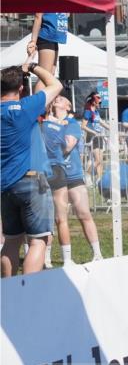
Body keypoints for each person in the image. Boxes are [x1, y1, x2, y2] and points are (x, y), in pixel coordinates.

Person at [1, 61, 63, 276]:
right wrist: (33, 66)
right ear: (20, 88)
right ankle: (28, 293)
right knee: (38, 242)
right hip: (30, 181)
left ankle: (7, 292)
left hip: (5, 186)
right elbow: (55, 85)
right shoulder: (25, 108)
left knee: (10, 242)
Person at [43, 96, 102, 266]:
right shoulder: (48, 122)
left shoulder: (72, 123)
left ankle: (97, 253)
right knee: (54, 219)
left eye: (61, 98)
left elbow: (67, 146)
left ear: (68, 106)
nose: (56, 99)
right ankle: (46, 259)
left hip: (73, 175)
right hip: (54, 174)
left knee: (84, 214)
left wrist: (54, 133)